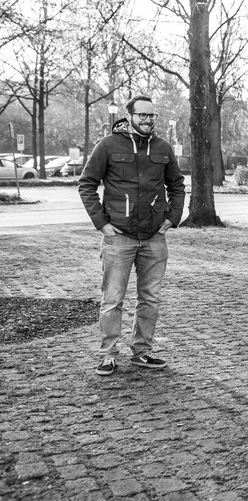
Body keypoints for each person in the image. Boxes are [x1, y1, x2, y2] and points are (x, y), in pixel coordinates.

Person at [78, 95, 186, 376]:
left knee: (150, 298)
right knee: (112, 299)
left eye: (152, 116)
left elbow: (177, 185)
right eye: (143, 115)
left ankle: (143, 352)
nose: (148, 120)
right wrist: (101, 223)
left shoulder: (163, 148)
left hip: (154, 238)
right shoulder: (108, 146)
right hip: (119, 237)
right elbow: (86, 184)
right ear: (129, 117)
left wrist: (172, 218)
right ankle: (108, 355)